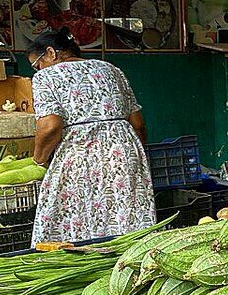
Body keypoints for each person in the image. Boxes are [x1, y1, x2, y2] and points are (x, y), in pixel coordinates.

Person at [28, 28, 156, 244]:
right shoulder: (112, 69)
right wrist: (133, 154)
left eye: (36, 64)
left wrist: (39, 159)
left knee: (75, 216)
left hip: (80, 151)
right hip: (124, 149)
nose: (37, 70)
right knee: (127, 216)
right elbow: (138, 123)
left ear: (51, 53)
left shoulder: (46, 76)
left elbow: (50, 126)